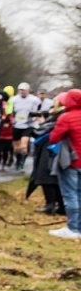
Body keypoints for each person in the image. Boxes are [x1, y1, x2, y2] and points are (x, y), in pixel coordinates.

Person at [47, 88, 81, 239]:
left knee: (70, 195)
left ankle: (72, 228)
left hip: (71, 162)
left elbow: (54, 138)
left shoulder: (66, 117)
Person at [11, 82, 40, 170]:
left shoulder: (34, 100)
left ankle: (22, 163)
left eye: (24, 90)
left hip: (28, 125)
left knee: (24, 145)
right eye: (20, 90)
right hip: (16, 125)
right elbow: (10, 111)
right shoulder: (14, 99)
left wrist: (35, 118)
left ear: (28, 90)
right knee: (16, 147)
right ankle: (18, 160)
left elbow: (37, 111)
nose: (22, 92)